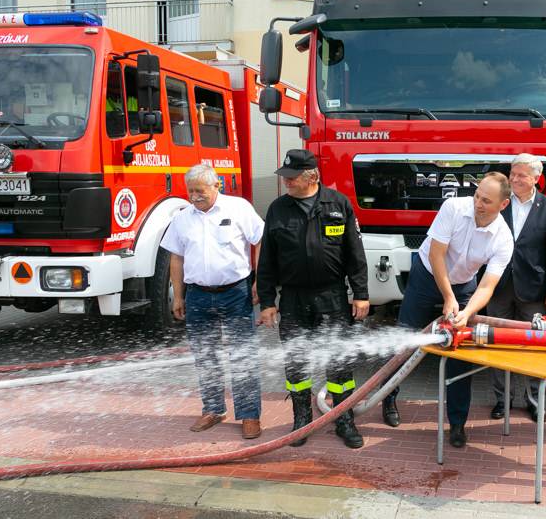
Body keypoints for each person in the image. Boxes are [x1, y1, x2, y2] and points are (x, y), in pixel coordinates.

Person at [256, 149, 370, 449]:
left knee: (339, 363)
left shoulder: (338, 204)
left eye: (292, 178)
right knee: (296, 363)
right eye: (285, 177)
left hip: (332, 296)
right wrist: (267, 302)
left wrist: (360, 294)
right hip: (293, 299)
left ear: (312, 177)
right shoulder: (278, 209)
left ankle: (344, 420)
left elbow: (355, 254)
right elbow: (267, 260)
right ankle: (302, 421)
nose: (287, 182)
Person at [394, 172, 514, 448]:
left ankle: (457, 423)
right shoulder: (453, 208)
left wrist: (466, 312)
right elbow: (436, 254)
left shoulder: (504, 239)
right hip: (427, 275)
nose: (478, 204)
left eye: (486, 201)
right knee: (405, 337)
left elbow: (487, 286)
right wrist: (448, 297)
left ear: (503, 205)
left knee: (461, 351)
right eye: (477, 196)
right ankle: (388, 399)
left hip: (464, 284)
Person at [160, 164, 264, 440]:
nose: (194, 196)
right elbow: (176, 258)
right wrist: (178, 295)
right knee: (205, 355)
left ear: (216, 185)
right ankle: (213, 409)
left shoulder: (238, 208)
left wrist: (259, 280)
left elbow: (260, 240)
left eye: (199, 190)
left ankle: (249, 414)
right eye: (190, 191)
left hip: (236, 293)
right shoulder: (182, 218)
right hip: (197, 295)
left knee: (242, 355)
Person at [487, 154, 546, 423]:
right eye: (512, 173)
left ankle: (534, 401)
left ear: (536, 178)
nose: (515, 179)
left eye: (521, 175)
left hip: (533, 289)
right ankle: (502, 400)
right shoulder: (499, 201)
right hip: (497, 286)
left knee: (534, 346)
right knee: (497, 344)